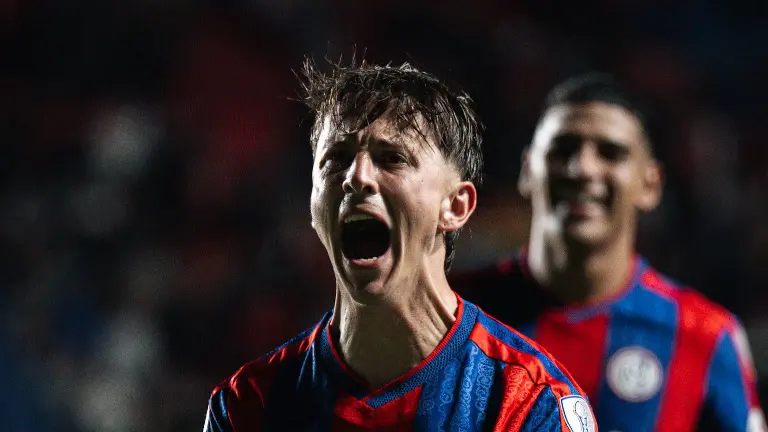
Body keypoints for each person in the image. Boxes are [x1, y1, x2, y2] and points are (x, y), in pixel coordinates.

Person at [203, 59, 596, 431]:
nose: (356, 178)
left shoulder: (528, 404)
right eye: (335, 160)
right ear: (312, 206)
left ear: (456, 206)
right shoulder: (248, 405)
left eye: (391, 158)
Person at [452, 73, 766, 431]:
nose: (583, 168)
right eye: (563, 149)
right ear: (528, 170)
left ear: (650, 184)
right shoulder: (454, 312)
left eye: (610, 153)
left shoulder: (704, 337)